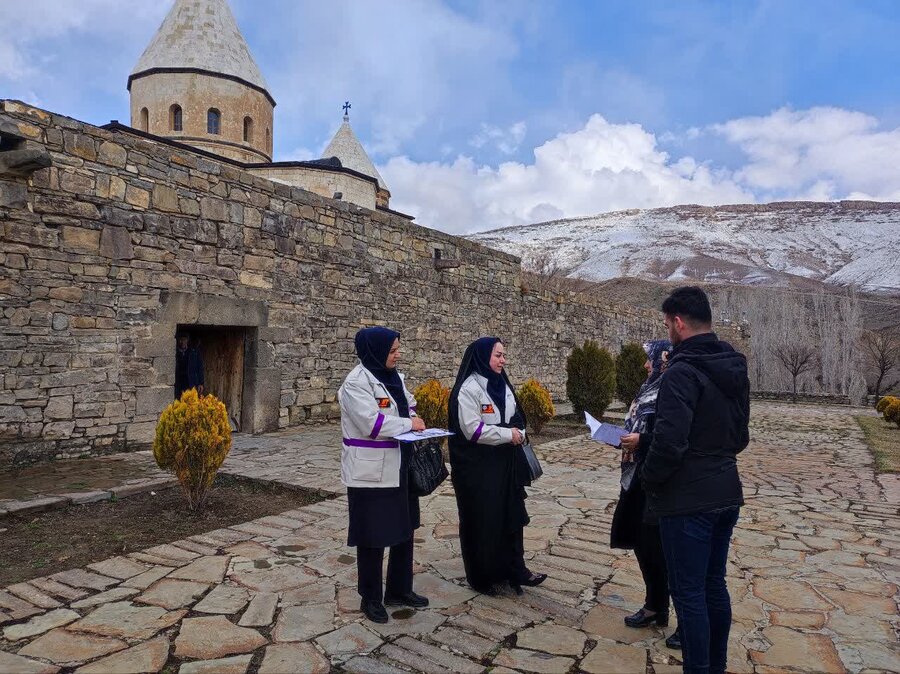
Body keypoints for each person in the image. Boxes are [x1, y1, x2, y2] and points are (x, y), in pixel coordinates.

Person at [641, 287, 750, 674]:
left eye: (667, 323)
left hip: (688, 502)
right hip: (726, 490)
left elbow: (670, 444)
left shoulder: (681, 373)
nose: (667, 330)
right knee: (713, 585)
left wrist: (649, 478)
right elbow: (741, 438)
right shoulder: (734, 367)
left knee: (689, 595)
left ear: (679, 323)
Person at [338, 327, 429, 624]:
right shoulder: (355, 384)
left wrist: (412, 415)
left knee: (404, 529)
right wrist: (408, 423)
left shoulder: (394, 378)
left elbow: (408, 402)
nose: (398, 354)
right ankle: (371, 597)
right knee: (373, 536)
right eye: (392, 350)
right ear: (375, 352)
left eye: (398, 349)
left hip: (400, 464)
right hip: (370, 472)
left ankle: (400, 590)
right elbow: (372, 424)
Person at [448, 337, 547, 595]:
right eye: (498, 355)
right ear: (483, 357)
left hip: (505, 465)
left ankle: (515, 569)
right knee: (483, 520)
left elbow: (517, 417)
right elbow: (472, 430)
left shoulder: (502, 385)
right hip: (478, 469)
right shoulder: (468, 389)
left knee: (510, 516)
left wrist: (520, 432)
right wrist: (508, 434)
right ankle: (482, 576)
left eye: (503, 355)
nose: (503, 360)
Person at [610, 339, 681, 650]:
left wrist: (641, 440)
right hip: (636, 474)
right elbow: (637, 424)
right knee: (641, 542)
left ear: (661, 359)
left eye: (648, 358)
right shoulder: (648, 385)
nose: (644, 364)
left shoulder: (671, 388)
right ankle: (654, 604)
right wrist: (620, 438)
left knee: (661, 547)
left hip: (656, 475)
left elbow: (669, 436)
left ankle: (679, 616)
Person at [175, 332, 204, 399]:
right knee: (179, 402)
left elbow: (199, 367)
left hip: (191, 382)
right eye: (180, 340)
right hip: (179, 382)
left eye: (184, 340)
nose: (182, 342)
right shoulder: (175, 352)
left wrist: (201, 383)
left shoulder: (194, 352)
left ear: (187, 340)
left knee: (192, 402)